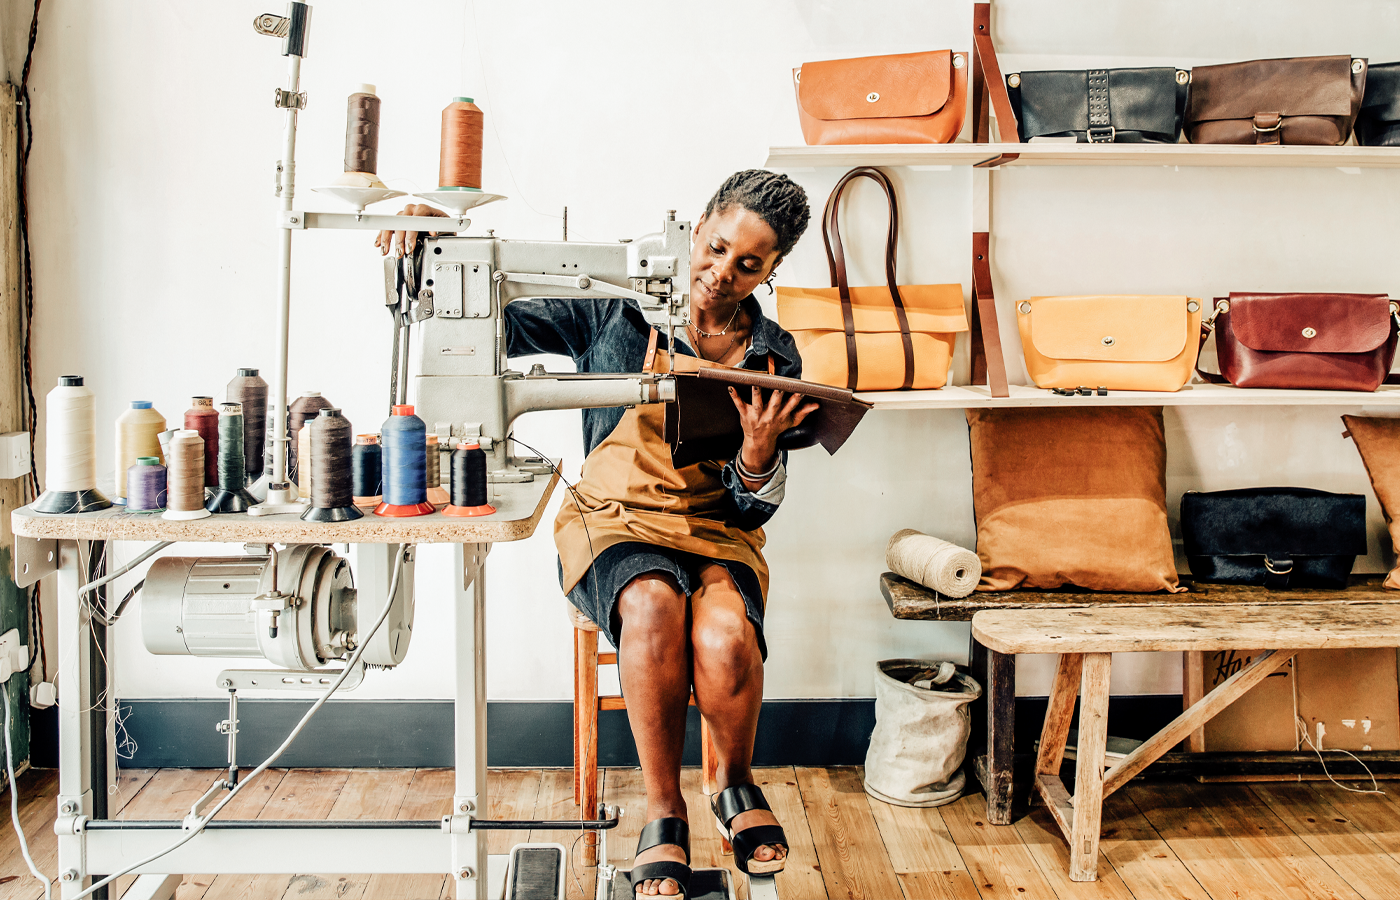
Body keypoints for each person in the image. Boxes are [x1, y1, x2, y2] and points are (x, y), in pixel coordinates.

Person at [377, 169, 814, 898]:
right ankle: (663, 808)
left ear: (773, 269)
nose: (719, 275)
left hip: (715, 529)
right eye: (714, 248)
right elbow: (489, 317)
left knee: (726, 636)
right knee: (650, 605)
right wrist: (435, 252)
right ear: (696, 226)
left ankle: (731, 783)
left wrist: (760, 456)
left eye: (748, 264)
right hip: (614, 521)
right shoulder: (611, 312)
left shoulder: (774, 355)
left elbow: (749, 509)